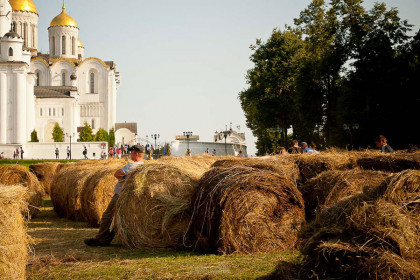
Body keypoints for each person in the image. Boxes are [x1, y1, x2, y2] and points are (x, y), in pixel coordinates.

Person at [84, 144, 145, 247]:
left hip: (120, 194)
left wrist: (120, 178)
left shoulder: (131, 166)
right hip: (130, 196)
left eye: (131, 152)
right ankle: (105, 239)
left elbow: (117, 173)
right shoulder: (143, 166)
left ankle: (99, 239)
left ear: (136, 154)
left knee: (107, 216)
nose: (130, 154)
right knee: (116, 218)